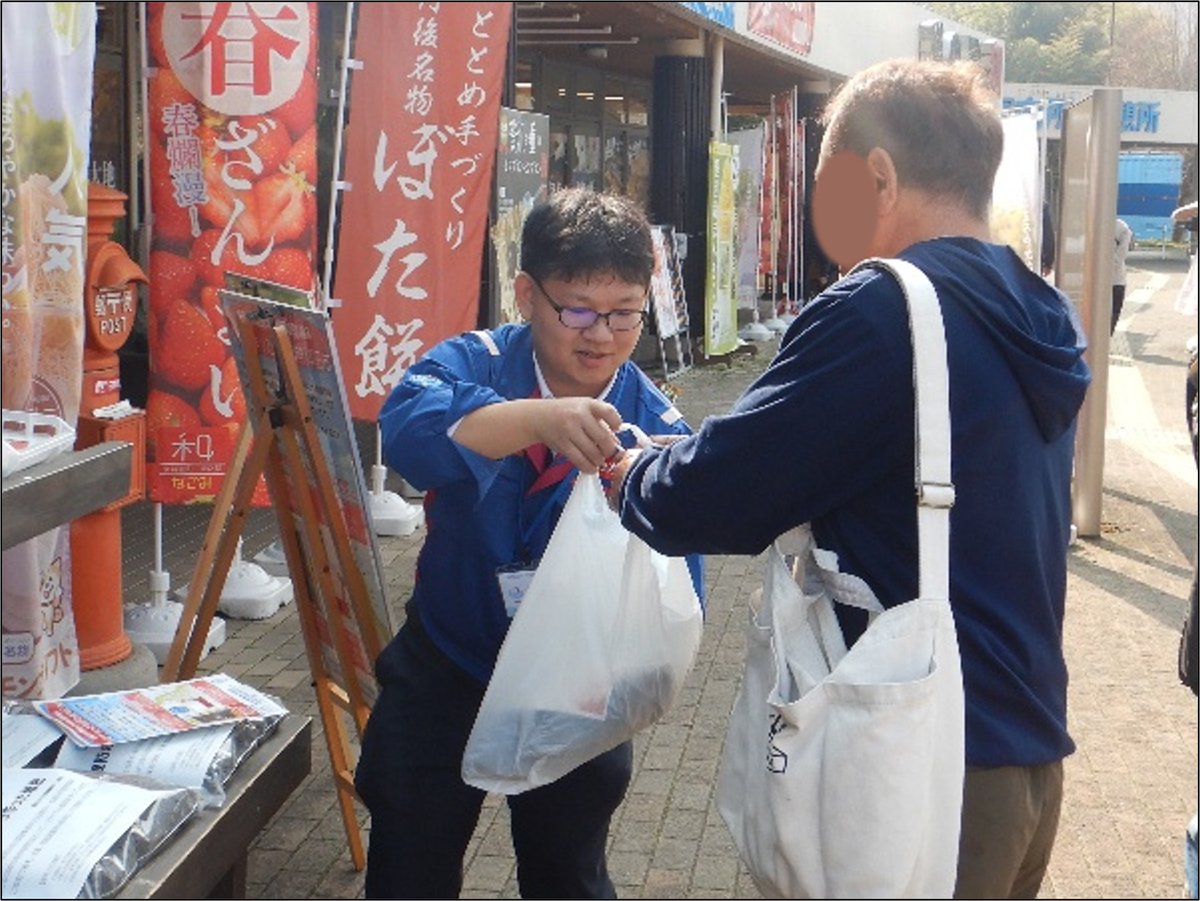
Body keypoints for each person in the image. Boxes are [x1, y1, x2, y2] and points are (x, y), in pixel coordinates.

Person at [605, 59, 1091, 899]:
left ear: (878, 176)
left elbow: (723, 491)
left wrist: (632, 473)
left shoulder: (885, 307)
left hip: (919, 765)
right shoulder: (1039, 309)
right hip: (1026, 753)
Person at [353, 187, 702, 900]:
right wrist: (539, 418)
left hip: (575, 687)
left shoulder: (657, 425)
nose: (600, 334)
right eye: (576, 308)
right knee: (408, 860)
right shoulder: (477, 362)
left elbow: (677, 594)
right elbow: (411, 427)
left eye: (623, 312)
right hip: (450, 660)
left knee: (567, 873)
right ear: (525, 294)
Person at [1111, 216, 1133, 334]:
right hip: (1115, 279)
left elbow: (1121, 255)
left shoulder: (1121, 227)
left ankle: (1106, 341)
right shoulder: (1121, 226)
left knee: (1113, 313)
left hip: (1115, 280)